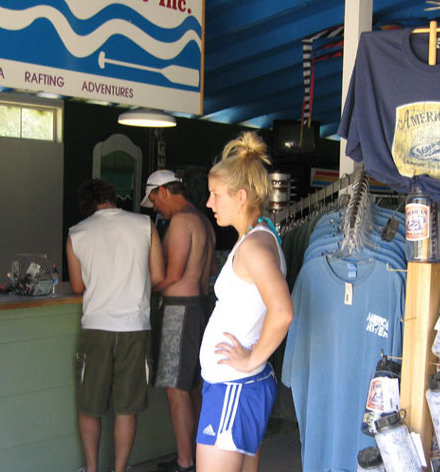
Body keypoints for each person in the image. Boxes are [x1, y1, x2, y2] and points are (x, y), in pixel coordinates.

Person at [196, 132, 293, 472]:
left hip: (234, 388)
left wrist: (252, 358)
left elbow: (282, 312)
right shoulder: (259, 235)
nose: (209, 203)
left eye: (215, 195)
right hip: (235, 386)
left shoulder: (254, 246)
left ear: (240, 197)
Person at [66, 179, 165, 472]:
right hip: (135, 326)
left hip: (96, 326)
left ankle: (93, 469)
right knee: (126, 408)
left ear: (86, 204)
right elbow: (158, 276)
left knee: (90, 406)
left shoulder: (77, 233)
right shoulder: (145, 225)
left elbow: (76, 285)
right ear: (113, 197)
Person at [141, 169, 216, 472]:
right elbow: (209, 269)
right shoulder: (204, 221)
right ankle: (199, 458)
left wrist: (144, 286)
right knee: (194, 387)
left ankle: (185, 462)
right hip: (200, 308)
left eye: (154, 201)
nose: (156, 208)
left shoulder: (182, 220)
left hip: (178, 312)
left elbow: (172, 275)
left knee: (176, 389)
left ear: (163, 192)